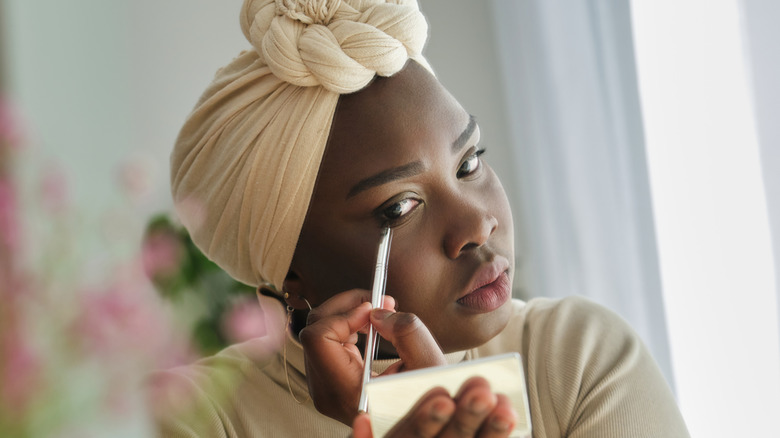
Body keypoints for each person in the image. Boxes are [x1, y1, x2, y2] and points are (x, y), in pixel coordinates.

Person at [149, 0, 690, 437]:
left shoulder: (577, 358)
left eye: (469, 162)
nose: (477, 226)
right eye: (399, 208)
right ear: (293, 275)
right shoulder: (191, 420)